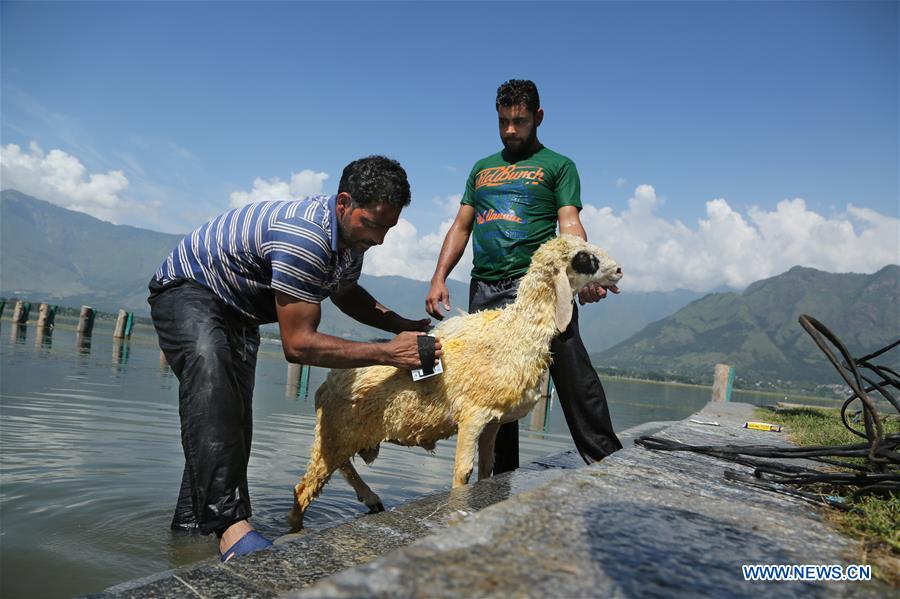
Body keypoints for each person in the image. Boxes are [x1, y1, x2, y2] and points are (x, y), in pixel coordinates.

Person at [149, 155, 440, 562]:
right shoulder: (305, 236)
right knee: (213, 389)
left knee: (233, 422)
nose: (380, 239)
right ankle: (231, 529)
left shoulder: (349, 242)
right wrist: (389, 354)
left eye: (388, 228)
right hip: (189, 290)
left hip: (239, 314)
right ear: (344, 203)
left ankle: (189, 531)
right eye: (373, 224)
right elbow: (298, 345)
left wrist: (402, 325)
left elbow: (345, 293)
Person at [426, 79, 621, 475]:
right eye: (503, 122)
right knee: (495, 386)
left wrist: (585, 274)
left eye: (519, 121)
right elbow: (461, 226)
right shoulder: (482, 169)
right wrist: (439, 277)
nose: (510, 130)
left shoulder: (558, 166)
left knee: (572, 369)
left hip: (537, 289)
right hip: (485, 289)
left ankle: (609, 461)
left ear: (538, 117)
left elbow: (570, 224)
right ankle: (499, 482)